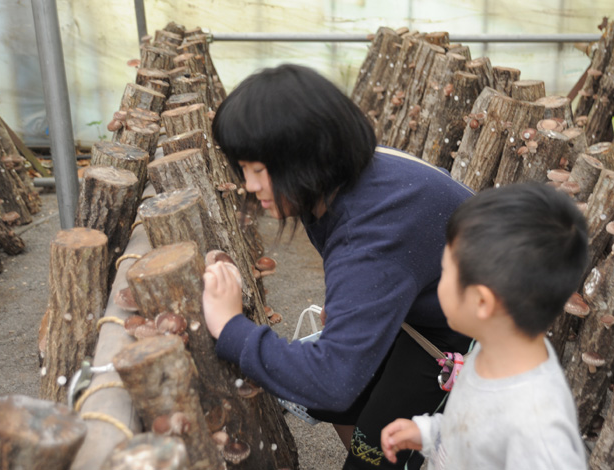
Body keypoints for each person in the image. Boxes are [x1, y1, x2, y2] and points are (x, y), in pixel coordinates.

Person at [202, 63, 474, 470]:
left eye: (259, 170)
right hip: (421, 309)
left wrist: (229, 327)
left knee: (368, 441)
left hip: (467, 337)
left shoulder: (375, 228)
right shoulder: (348, 176)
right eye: (243, 169)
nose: (250, 185)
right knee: (336, 400)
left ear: (307, 157)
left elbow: (334, 382)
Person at [381, 183, 589, 469]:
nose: (438, 283)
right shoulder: (491, 348)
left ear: (481, 302)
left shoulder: (538, 431)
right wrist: (430, 434)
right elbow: (474, 426)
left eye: (445, 272)